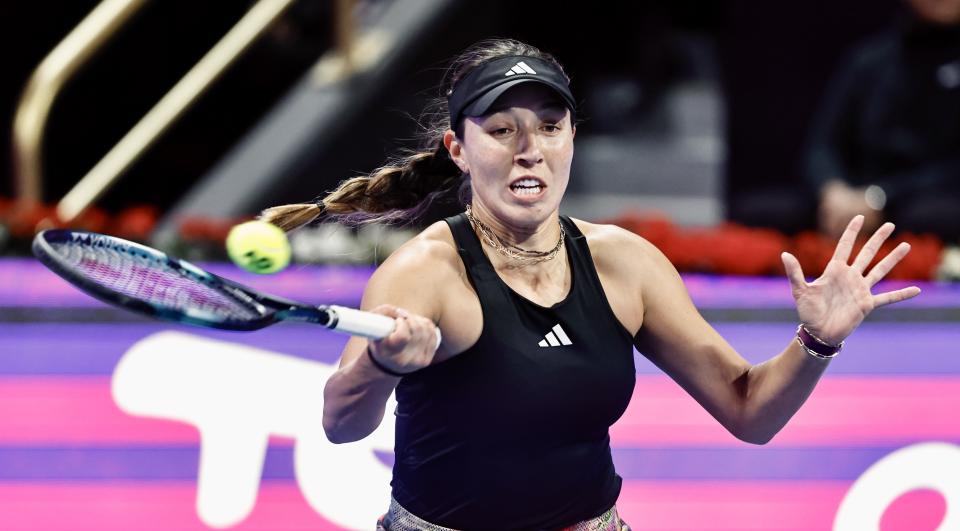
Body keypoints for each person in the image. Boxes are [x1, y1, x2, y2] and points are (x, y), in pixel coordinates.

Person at [261, 38, 921, 531]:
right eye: (501, 129)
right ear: (458, 148)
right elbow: (342, 424)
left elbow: (751, 411)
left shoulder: (624, 263)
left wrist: (816, 341)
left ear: (573, 136)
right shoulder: (426, 271)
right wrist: (379, 362)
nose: (531, 149)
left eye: (551, 126)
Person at [803, 0, 960, 241]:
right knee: (762, 212)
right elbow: (823, 145)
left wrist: (882, 197)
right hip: (856, 197)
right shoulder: (870, 59)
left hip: (928, 198)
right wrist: (832, 189)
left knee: (931, 217)